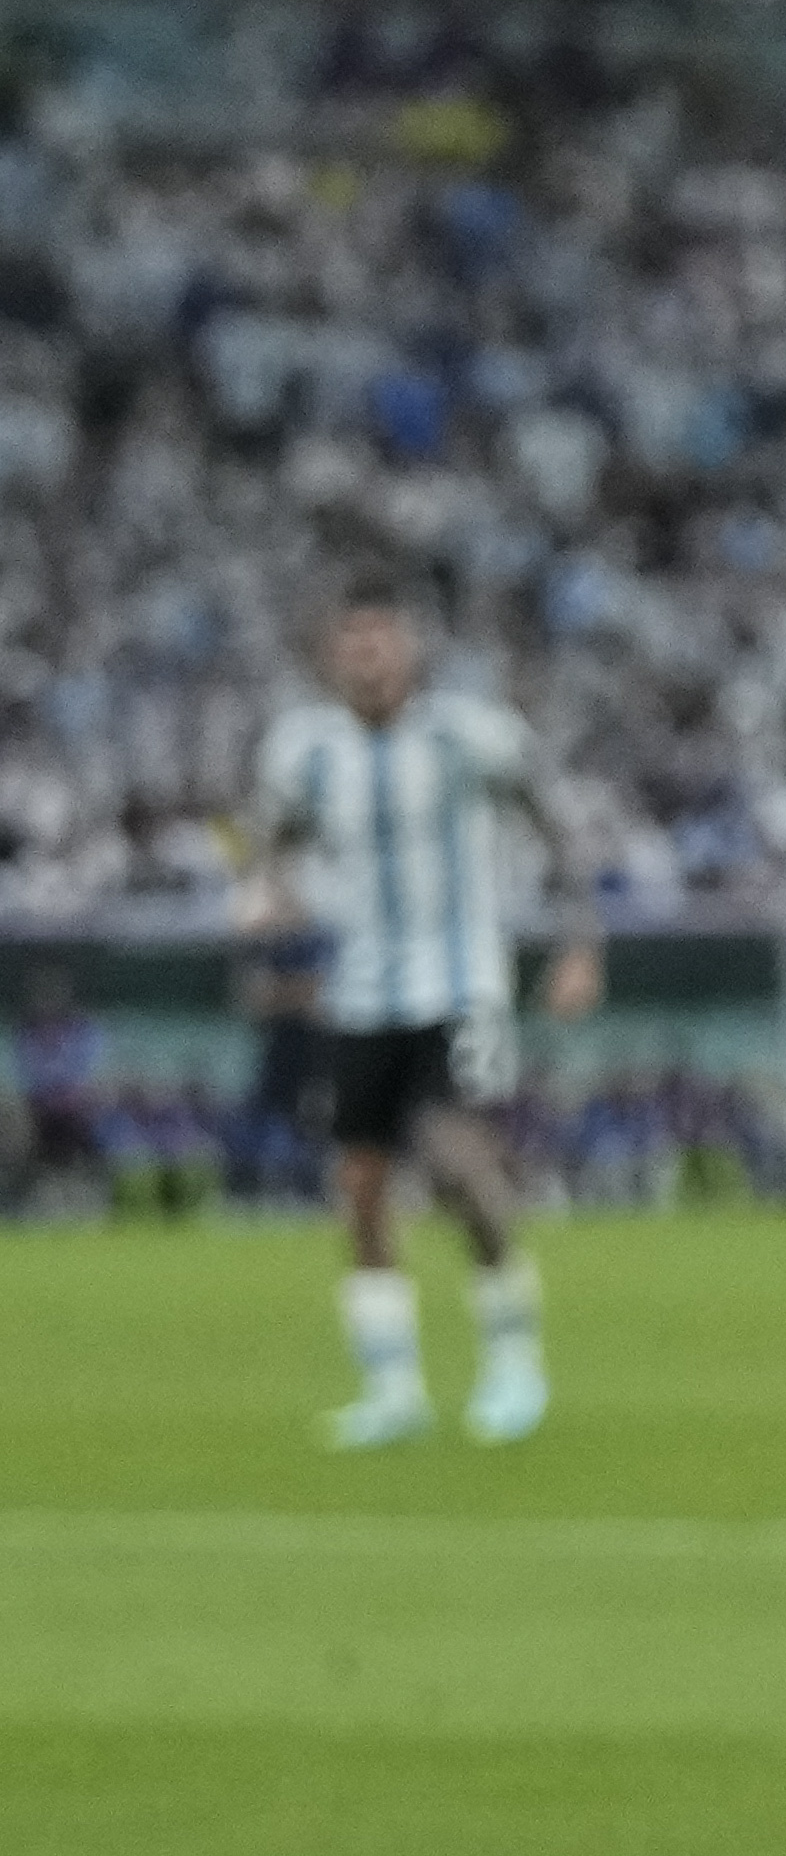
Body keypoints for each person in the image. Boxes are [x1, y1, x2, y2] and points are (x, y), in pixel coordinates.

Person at [244, 586, 588, 1448]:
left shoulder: (467, 735)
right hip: (360, 991)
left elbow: (555, 825)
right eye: (351, 641)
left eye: (381, 639)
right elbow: (273, 844)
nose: (368, 656)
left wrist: (582, 943)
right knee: (359, 1185)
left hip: (460, 982)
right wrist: (268, 894)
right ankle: (393, 1389)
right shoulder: (304, 751)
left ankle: (514, 1362)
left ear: (410, 649)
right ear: (331, 655)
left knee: (451, 1158)